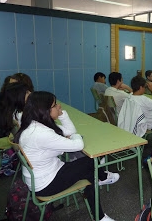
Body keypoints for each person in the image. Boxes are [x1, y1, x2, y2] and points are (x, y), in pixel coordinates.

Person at [13, 91, 119, 221]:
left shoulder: (34, 125)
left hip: (42, 177)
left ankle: (100, 210)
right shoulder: (41, 133)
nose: (59, 107)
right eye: (55, 105)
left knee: (90, 172)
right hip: (46, 184)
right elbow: (78, 144)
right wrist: (76, 137)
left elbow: (70, 132)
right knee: (91, 161)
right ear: (44, 110)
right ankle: (103, 179)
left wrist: (63, 116)